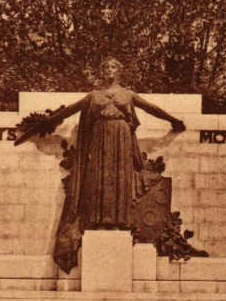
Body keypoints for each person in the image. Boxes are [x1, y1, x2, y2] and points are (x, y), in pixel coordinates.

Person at [15, 58, 185, 273]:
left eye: (113, 67)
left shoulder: (128, 95)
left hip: (121, 139)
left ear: (119, 71)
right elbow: (69, 110)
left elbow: (151, 108)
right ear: (101, 71)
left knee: (119, 179)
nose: (109, 70)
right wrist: (46, 122)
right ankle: (99, 220)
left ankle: (119, 221)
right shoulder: (93, 96)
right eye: (105, 67)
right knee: (100, 179)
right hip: (99, 140)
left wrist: (173, 121)